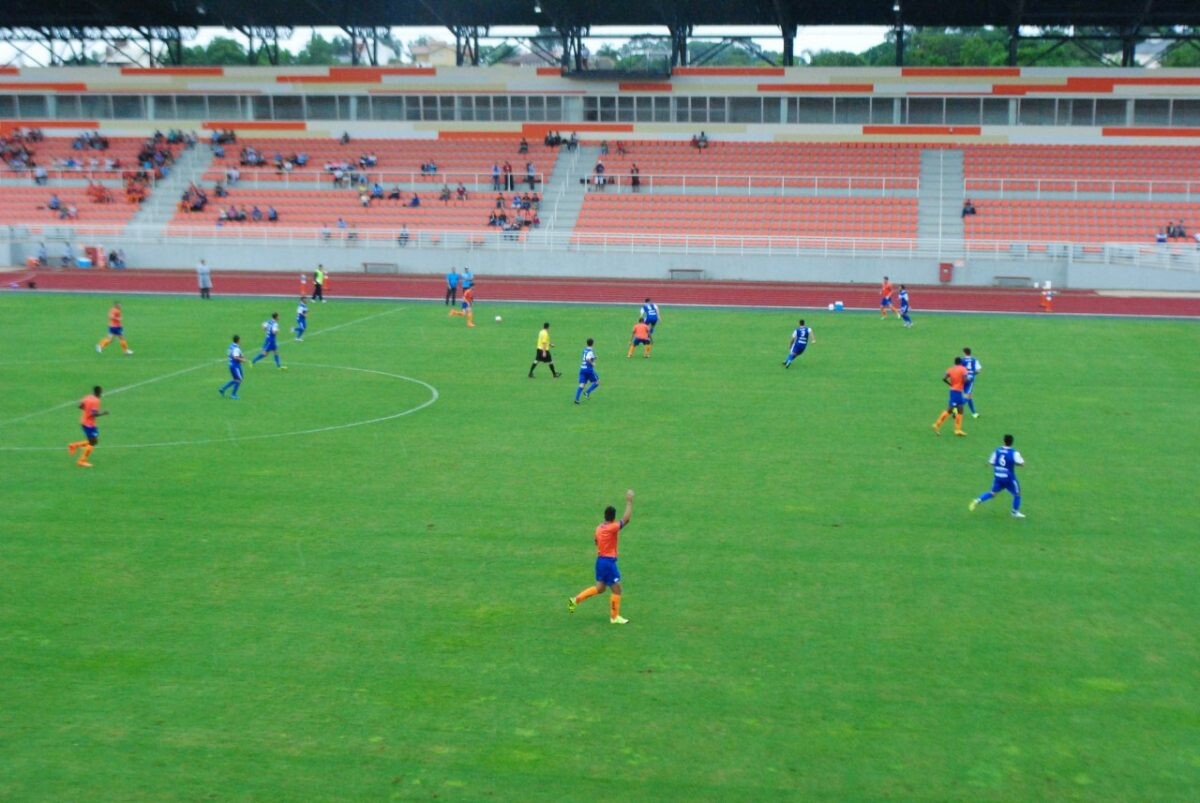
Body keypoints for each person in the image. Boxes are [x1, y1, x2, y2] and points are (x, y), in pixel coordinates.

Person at [567, 489, 635, 625]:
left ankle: (575, 600)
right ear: (613, 518)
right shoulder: (612, 527)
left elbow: (596, 542)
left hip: (600, 561)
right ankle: (614, 617)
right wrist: (629, 501)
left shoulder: (599, 528)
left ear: (604, 516)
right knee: (617, 589)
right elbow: (626, 519)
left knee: (600, 588)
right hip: (608, 562)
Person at [969, 434, 1026, 518]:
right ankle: (1014, 513)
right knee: (1017, 494)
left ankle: (977, 500)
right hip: (1009, 478)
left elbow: (991, 462)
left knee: (992, 493)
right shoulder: (1014, 453)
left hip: (998, 476)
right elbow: (1022, 464)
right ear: (1012, 443)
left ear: (1003, 441)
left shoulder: (997, 451)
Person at [66, 385, 108, 468]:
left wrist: (87, 410)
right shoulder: (96, 401)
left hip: (84, 421)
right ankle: (81, 461)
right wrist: (103, 413)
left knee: (93, 441)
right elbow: (94, 414)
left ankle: (74, 446)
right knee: (93, 442)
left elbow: (80, 406)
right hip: (89, 424)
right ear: (99, 392)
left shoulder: (87, 397)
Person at [933, 357, 968, 437]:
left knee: (960, 409)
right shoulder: (963, 369)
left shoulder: (951, 369)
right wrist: (966, 381)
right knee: (950, 409)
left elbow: (944, 378)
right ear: (961, 362)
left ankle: (958, 429)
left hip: (953, 391)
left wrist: (950, 384)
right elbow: (965, 380)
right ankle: (937, 424)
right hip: (958, 391)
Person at [574, 338, 599, 404]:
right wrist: (592, 363)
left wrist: (593, 358)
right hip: (588, 370)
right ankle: (587, 392)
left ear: (586, 343)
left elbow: (586, 358)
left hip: (582, 369)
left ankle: (576, 399)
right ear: (593, 344)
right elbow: (588, 359)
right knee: (597, 382)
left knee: (582, 385)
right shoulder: (590, 351)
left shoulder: (585, 350)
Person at [962, 347, 982, 418]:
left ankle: (974, 413)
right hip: (970, 379)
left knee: (968, 396)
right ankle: (955, 409)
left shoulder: (962, 360)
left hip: (962, 379)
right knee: (967, 396)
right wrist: (973, 373)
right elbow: (978, 370)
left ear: (964, 353)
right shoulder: (974, 360)